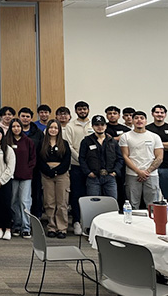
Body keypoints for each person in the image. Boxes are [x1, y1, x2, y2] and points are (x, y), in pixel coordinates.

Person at [120, 111, 163, 209]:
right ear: (133, 121)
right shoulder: (126, 136)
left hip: (151, 175)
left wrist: (146, 172)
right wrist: (139, 172)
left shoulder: (154, 137)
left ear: (146, 121)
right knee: (132, 204)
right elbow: (125, 156)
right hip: (132, 174)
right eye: (136, 118)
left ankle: (152, 223)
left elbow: (159, 157)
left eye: (142, 118)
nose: (139, 120)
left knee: (152, 205)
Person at [36, 119, 71, 238]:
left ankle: (62, 228)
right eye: (51, 127)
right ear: (47, 129)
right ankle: (51, 226)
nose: (53, 130)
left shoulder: (64, 143)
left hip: (62, 174)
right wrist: (48, 171)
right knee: (49, 202)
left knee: (62, 202)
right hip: (46, 174)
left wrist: (56, 171)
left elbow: (67, 161)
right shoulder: (42, 143)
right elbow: (39, 159)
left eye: (56, 128)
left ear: (59, 130)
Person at [63, 101, 92, 235]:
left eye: (84, 109)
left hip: (92, 168)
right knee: (76, 194)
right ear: (75, 111)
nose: (82, 111)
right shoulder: (70, 126)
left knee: (90, 195)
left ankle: (89, 222)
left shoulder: (94, 124)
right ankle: (76, 221)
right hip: (76, 166)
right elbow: (68, 145)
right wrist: (80, 159)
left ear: (88, 110)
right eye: (79, 109)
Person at [79, 115, 123, 199]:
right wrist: (88, 172)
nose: (100, 127)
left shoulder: (112, 141)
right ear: (92, 126)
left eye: (102, 124)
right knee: (93, 203)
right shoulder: (86, 141)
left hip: (110, 177)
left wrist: (115, 172)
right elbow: (82, 159)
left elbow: (120, 158)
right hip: (93, 177)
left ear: (106, 126)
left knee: (112, 202)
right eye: (97, 125)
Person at [5, 119, 36, 238]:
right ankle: (17, 225)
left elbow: (33, 159)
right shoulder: (7, 141)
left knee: (25, 201)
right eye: (14, 126)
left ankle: (26, 227)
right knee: (13, 201)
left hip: (26, 177)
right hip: (11, 177)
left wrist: (28, 170)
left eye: (18, 126)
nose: (16, 128)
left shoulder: (28, 141)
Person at [145, 104, 168, 208]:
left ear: (165, 114)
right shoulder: (146, 129)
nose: (159, 114)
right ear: (152, 114)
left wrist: (155, 145)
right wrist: (165, 144)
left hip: (167, 168)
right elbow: (142, 144)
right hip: (149, 168)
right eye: (157, 112)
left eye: (162, 112)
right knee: (151, 197)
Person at [18, 107, 44, 218]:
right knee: (20, 196)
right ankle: (21, 218)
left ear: (31, 118)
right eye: (23, 116)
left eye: (27, 116)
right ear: (19, 117)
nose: (25, 118)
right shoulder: (14, 132)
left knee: (36, 194)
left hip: (35, 169)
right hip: (18, 170)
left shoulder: (38, 133)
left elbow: (42, 150)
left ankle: (36, 217)